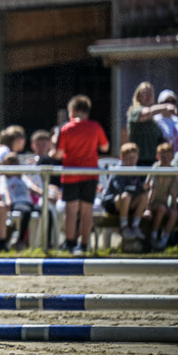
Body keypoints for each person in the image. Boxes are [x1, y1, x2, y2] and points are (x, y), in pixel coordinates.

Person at [55, 94, 109, 255]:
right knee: (87, 210)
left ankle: (69, 243)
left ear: (72, 110)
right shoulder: (95, 127)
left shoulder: (66, 128)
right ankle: (84, 245)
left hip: (70, 174)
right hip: (90, 174)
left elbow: (59, 154)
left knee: (71, 211)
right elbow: (105, 147)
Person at [101, 142, 149, 243]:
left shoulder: (136, 170)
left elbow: (139, 189)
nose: (132, 160)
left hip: (129, 203)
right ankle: (124, 227)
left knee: (143, 196)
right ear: (122, 157)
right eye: (129, 158)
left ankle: (135, 226)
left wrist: (142, 188)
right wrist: (139, 188)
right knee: (125, 196)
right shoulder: (118, 170)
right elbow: (120, 189)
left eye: (134, 158)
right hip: (114, 203)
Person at [23, 129, 62, 248]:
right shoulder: (29, 164)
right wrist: (45, 192)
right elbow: (29, 184)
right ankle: (40, 243)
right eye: (38, 144)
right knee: (44, 206)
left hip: (56, 195)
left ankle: (56, 242)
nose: (42, 147)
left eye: (44, 144)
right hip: (36, 196)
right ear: (32, 145)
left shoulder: (57, 160)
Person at [126, 81, 175, 167]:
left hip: (154, 162)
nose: (148, 96)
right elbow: (145, 113)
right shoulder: (135, 111)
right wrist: (165, 106)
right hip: (138, 162)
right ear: (138, 96)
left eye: (150, 93)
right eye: (145, 93)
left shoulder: (154, 120)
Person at [145, 142, 178, 250]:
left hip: (164, 202)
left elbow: (173, 191)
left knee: (173, 213)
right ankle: (153, 237)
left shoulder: (173, 171)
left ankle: (164, 241)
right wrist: (148, 208)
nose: (165, 159)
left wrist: (175, 207)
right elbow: (151, 188)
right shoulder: (155, 168)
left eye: (168, 156)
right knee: (161, 208)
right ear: (158, 156)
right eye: (162, 156)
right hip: (152, 202)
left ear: (172, 157)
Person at [0, 152, 34, 249]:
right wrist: (8, 201)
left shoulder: (22, 177)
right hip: (16, 203)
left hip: (28, 202)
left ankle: (48, 241)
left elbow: (32, 187)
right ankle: (21, 240)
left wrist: (46, 193)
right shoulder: (4, 178)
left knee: (47, 211)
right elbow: (5, 190)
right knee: (26, 212)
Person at [153, 89, 178, 153]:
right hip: (165, 156)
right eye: (167, 101)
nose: (170, 104)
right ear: (160, 103)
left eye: (173, 101)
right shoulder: (156, 120)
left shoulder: (177, 120)